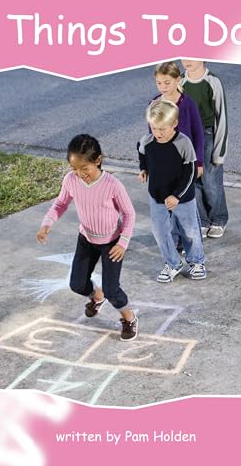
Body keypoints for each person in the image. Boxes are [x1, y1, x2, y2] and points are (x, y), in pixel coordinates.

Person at [36, 134, 138, 341]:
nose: (80, 174)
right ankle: (96, 297)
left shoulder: (112, 184)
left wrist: (123, 242)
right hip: (87, 239)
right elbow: (60, 203)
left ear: (98, 160)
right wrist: (47, 223)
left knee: (112, 290)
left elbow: (129, 214)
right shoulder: (71, 180)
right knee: (77, 284)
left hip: (111, 243)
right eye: (74, 169)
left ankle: (129, 317)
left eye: (85, 169)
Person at [138, 100, 206, 283]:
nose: (158, 133)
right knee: (160, 232)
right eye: (154, 128)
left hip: (182, 197)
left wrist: (177, 195)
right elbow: (142, 152)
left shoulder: (183, 143)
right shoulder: (147, 141)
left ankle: (196, 261)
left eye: (163, 129)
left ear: (174, 124)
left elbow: (190, 173)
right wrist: (143, 169)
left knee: (189, 231)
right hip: (157, 196)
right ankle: (173, 263)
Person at [181, 59, 229, 238]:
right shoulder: (180, 82)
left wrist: (220, 152)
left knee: (211, 182)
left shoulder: (212, 82)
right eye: (183, 57)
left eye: (191, 56)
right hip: (187, 136)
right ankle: (202, 220)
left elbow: (221, 116)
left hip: (208, 134)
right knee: (193, 180)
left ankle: (218, 218)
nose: (187, 61)